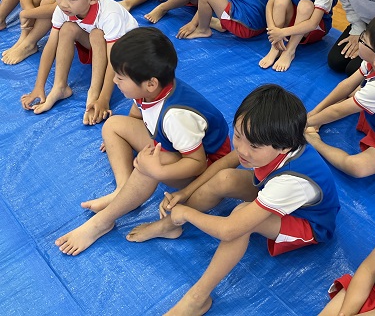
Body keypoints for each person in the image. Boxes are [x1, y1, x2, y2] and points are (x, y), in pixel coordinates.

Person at [126, 84, 340, 315]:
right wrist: (185, 193)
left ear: (284, 147)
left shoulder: (291, 182)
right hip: (276, 191)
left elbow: (229, 230)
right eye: (237, 135)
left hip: (307, 223)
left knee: (240, 218)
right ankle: (169, 226)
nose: (242, 149)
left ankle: (198, 298)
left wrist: (187, 213)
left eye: (254, 146)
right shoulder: (268, 140)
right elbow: (228, 161)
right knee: (224, 178)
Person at [54, 27, 231, 256]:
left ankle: (102, 223)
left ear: (150, 83)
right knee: (113, 125)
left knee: (149, 166)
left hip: (205, 164)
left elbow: (196, 163)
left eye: (120, 77)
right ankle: (124, 190)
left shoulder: (176, 117)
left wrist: (157, 171)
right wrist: (127, 139)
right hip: (174, 145)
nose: (114, 80)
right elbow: (138, 113)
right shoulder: (148, 90)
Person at [20, 0, 138, 125]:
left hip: (125, 55)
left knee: (96, 34)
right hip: (99, 46)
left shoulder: (110, 15)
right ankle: (60, 87)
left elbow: (114, 59)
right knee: (67, 28)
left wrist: (103, 99)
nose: (62, 4)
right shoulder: (62, 9)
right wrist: (39, 86)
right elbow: (51, 47)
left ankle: (94, 92)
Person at [306, 13, 375, 178]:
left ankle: (315, 142)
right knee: (354, 92)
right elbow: (347, 85)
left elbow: (338, 111)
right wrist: (314, 113)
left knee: (356, 167)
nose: (359, 39)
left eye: (363, 39)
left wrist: (306, 123)